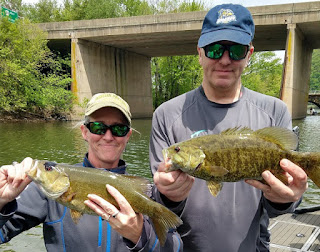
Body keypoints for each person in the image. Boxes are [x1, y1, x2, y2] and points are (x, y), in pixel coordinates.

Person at [149, 4, 308, 252]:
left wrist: (288, 198)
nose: (224, 59)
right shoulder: (166, 115)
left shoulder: (275, 111)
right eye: (214, 49)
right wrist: (168, 195)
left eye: (236, 50)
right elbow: (160, 207)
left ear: (249, 54)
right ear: (200, 53)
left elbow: (280, 205)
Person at [0, 93, 182, 252]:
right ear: (84, 132)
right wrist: (2, 202)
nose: (108, 136)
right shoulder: (47, 190)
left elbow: (176, 247)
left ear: (128, 136)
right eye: (98, 127)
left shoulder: (148, 193)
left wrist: (139, 236)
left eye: (118, 129)